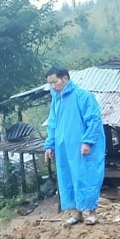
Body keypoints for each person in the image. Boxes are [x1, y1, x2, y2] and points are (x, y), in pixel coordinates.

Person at [42, 67, 106, 226]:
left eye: (55, 82)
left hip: (82, 147)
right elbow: (52, 124)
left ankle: (91, 212)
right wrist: (49, 144)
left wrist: (87, 141)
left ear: (65, 79)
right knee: (67, 178)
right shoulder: (56, 99)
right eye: (50, 83)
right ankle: (76, 213)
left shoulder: (83, 96)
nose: (53, 86)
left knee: (86, 177)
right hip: (64, 148)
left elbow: (94, 120)